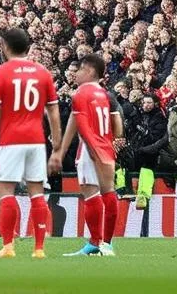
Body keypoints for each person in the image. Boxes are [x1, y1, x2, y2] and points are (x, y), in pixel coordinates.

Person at [0, 26, 61, 260]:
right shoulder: (42, 72)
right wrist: (56, 144)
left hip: (10, 140)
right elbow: (53, 111)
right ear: (28, 47)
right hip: (36, 141)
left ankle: (8, 246)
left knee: (5, 192)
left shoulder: (1, 73)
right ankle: (39, 249)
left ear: (5, 47)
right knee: (37, 193)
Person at [51, 53, 123, 257]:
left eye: (80, 70)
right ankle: (106, 245)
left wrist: (92, 149)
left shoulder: (80, 94)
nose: (76, 74)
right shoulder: (106, 95)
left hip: (91, 150)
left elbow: (81, 127)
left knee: (91, 194)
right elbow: (118, 128)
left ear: (90, 71)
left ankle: (95, 243)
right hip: (107, 146)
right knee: (108, 192)